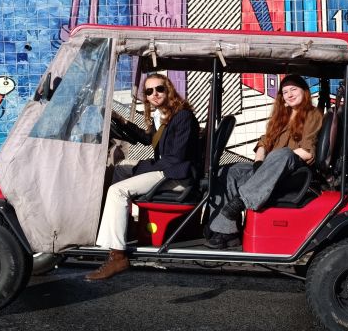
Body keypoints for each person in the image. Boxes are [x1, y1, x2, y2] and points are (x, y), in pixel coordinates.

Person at [85, 73, 199, 280]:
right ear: (145, 96)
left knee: (117, 190)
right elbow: (148, 140)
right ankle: (121, 232)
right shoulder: (162, 116)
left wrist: (142, 168)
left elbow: (177, 157)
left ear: (169, 89)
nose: (154, 94)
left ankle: (118, 257)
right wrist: (120, 121)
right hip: (165, 170)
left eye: (159, 89)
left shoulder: (182, 116)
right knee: (119, 171)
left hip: (176, 176)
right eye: (149, 91)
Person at [206, 74, 323, 249]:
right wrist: (259, 162)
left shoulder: (313, 115)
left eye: (294, 89)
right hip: (270, 167)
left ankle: (236, 205)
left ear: (304, 91)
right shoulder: (281, 116)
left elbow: (307, 152)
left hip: (293, 172)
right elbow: (264, 142)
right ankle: (227, 232)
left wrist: (271, 161)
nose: (289, 94)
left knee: (283, 153)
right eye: (285, 92)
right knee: (230, 171)